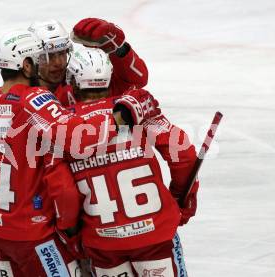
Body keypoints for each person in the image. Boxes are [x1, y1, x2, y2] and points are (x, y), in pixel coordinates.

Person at [0, 29, 127, 276]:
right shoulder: (35, 100)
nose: (44, 65)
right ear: (25, 65)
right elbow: (77, 140)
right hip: (35, 233)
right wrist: (121, 118)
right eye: (39, 60)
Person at [49, 47, 200, 276]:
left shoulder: (62, 125)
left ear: (71, 80)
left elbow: (63, 192)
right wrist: (182, 199)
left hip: (103, 243)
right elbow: (184, 155)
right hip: (155, 235)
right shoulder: (135, 107)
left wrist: (72, 234)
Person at [28, 18, 148, 106]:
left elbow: (138, 81)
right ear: (33, 57)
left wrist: (119, 49)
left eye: (62, 53)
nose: (58, 62)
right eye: (49, 56)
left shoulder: (84, 81)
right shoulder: (20, 91)